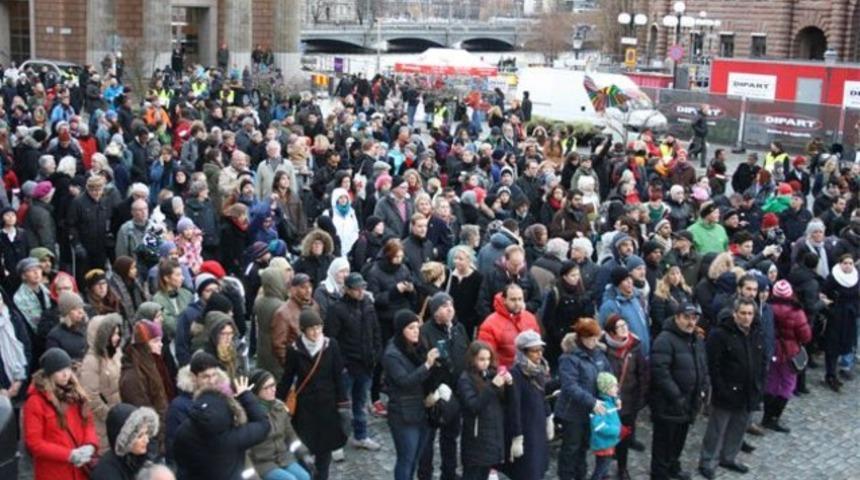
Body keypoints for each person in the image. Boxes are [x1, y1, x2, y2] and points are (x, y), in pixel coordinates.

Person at [276, 310, 348, 480]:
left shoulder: (331, 345)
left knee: (325, 450)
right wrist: (277, 402)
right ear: (303, 330)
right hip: (305, 408)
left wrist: (343, 404)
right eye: (311, 329)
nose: (316, 332)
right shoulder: (294, 350)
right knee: (304, 448)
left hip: (327, 405)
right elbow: (287, 378)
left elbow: (338, 376)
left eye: (319, 328)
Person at [698, 298, 765, 479]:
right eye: (742, 313)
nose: (746, 317)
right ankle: (707, 461)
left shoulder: (757, 332)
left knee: (739, 427)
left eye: (750, 313)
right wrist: (721, 389)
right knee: (717, 430)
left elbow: (762, 359)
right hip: (726, 391)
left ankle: (728, 457)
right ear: (735, 314)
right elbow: (713, 366)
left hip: (748, 391)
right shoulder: (720, 335)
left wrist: (759, 385)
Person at [649, 301, 709, 480]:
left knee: (678, 441)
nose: (691, 322)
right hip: (669, 403)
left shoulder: (696, 340)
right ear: (677, 317)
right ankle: (660, 474)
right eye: (686, 318)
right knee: (663, 442)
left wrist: (704, 387)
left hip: (689, 402)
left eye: (694, 318)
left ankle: (673, 467)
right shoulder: (665, 339)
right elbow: (660, 372)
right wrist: (677, 396)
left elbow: (702, 366)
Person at [325, 272, 383, 451]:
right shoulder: (337, 309)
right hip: (347, 365)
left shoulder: (368, 305)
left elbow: (376, 331)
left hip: (365, 363)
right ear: (347, 290)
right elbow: (331, 339)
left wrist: (375, 354)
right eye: (357, 289)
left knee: (360, 402)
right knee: (341, 405)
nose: (360, 292)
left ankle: (361, 435)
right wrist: (340, 365)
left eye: (362, 288)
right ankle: (336, 442)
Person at [173, 375, 271, 480]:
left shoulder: (183, 432)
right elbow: (263, 425)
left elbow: (181, 466)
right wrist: (245, 395)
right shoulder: (232, 437)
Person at [23, 348, 98, 480]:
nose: (65, 374)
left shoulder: (77, 395)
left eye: (68, 369)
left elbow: (88, 423)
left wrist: (90, 445)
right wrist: (68, 455)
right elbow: (34, 443)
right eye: (59, 370)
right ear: (50, 374)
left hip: (80, 469)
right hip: (54, 472)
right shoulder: (36, 402)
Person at [382, 309, 440, 480]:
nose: (416, 331)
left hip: (423, 409)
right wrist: (427, 365)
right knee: (406, 459)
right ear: (401, 330)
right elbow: (405, 382)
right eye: (411, 328)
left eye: (417, 327)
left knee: (415, 458)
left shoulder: (418, 346)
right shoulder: (392, 354)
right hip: (403, 414)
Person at [418, 292, 468, 480]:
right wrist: (430, 392)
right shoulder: (425, 332)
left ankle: (449, 473)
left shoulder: (458, 328)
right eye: (444, 306)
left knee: (451, 437)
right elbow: (423, 364)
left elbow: (466, 354)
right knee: (428, 440)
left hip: (455, 392)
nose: (450, 309)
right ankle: (425, 475)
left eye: (451, 305)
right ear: (434, 311)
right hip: (435, 393)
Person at [555, 318, 610, 480]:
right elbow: (570, 386)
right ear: (581, 337)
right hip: (572, 412)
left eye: (596, 338)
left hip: (591, 412)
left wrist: (614, 395)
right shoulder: (569, 358)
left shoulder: (599, 354)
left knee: (583, 448)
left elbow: (608, 376)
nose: (594, 341)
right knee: (571, 449)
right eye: (590, 338)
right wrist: (592, 401)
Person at [601, 314, 648, 480]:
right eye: (620, 327)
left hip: (629, 400)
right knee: (605, 437)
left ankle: (622, 468)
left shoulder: (634, 347)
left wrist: (641, 397)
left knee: (624, 436)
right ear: (611, 332)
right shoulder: (602, 348)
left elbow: (642, 373)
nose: (625, 329)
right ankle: (603, 470)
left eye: (625, 325)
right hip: (607, 403)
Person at [502, 330, 552, 480]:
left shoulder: (538, 371)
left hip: (538, 427)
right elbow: (513, 407)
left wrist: (548, 416)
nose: (539, 354)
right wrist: (517, 436)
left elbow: (542, 396)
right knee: (527, 472)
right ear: (523, 352)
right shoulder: (516, 374)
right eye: (534, 351)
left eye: (540, 350)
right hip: (526, 431)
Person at [456, 340, 509, 480]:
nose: (486, 363)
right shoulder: (465, 379)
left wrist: (509, 384)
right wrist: (492, 387)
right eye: (481, 359)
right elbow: (474, 405)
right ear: (472, 359)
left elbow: (505, 402)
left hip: (491, 436)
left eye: (488, 359)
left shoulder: (489, 374)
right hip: (476, 438)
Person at [764, 280, 812, 433]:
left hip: (772, 349)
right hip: (789, 351)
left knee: (771, 381)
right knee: (787, 384)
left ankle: (766, 416)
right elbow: (805, 336)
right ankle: (774, 417)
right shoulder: (796, 312)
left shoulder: (767, 308)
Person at [247, 369, 313, 480]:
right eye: (266, 388)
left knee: (305, 477)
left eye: (273, 385)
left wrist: (303, 453)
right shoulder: (248, 414)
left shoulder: (279, 407)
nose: (273, 390)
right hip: (262, 463)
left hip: (284, 457)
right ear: (256, 391)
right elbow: (245, 451)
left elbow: (291, 435)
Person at [119, 320, 175, 450]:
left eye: (160, 340)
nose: (161, 345)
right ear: (144, 345)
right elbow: (144, 414)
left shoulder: (150, 364)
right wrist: (159, 438)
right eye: (155, 341)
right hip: (150, 441)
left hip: (162, 433)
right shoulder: (133, 377)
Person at [79, 313, 123, 453]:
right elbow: (91, 397)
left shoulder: (116, 353)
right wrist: (110, 416)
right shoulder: (91, 361)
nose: (117, 337)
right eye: (113, 334)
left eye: (117, 333)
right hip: (104, 423)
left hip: (120, 414)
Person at [477, 284, 542, 368]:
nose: (517, 303)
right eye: (513, 300)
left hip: (531, 372)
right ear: (504, 300)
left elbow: (538, 347)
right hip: (506, 375)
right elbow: (487, 356)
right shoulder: (490, 324)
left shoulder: (530, 318)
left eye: (520, 299)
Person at [90, 403, 160, 480]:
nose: (146, 440)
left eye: (147, 433)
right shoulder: (106, 473)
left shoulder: (142, 457)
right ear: (126, 439)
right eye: (140, 436)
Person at [821, 254, 859, 392]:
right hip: (836, 316)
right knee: (832, 345)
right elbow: (823, 294)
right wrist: (830, 309)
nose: (848, 266)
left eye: (850, 263)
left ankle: (837, 371)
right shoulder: (833, 278)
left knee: (846, 344)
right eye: (845, 263)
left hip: (850, 316)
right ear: (840, 264)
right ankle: (830, 374)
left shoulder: (856, 277)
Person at [588, 372, 622, 480]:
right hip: (603, 443)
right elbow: (599, 426)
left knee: (604, 467)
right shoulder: (602, 405)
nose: (617, 388)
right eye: (614, 386)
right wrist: (617, 431)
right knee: (601, 467)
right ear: (606, 389)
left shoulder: (610, 401)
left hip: (608, 442)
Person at [45, 291, 88, 361]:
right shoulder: (54, 336)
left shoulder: (88, 328)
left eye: (81, 307)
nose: (81, 311)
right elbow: (55, 362)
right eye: (75, 308)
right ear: (66, 312)